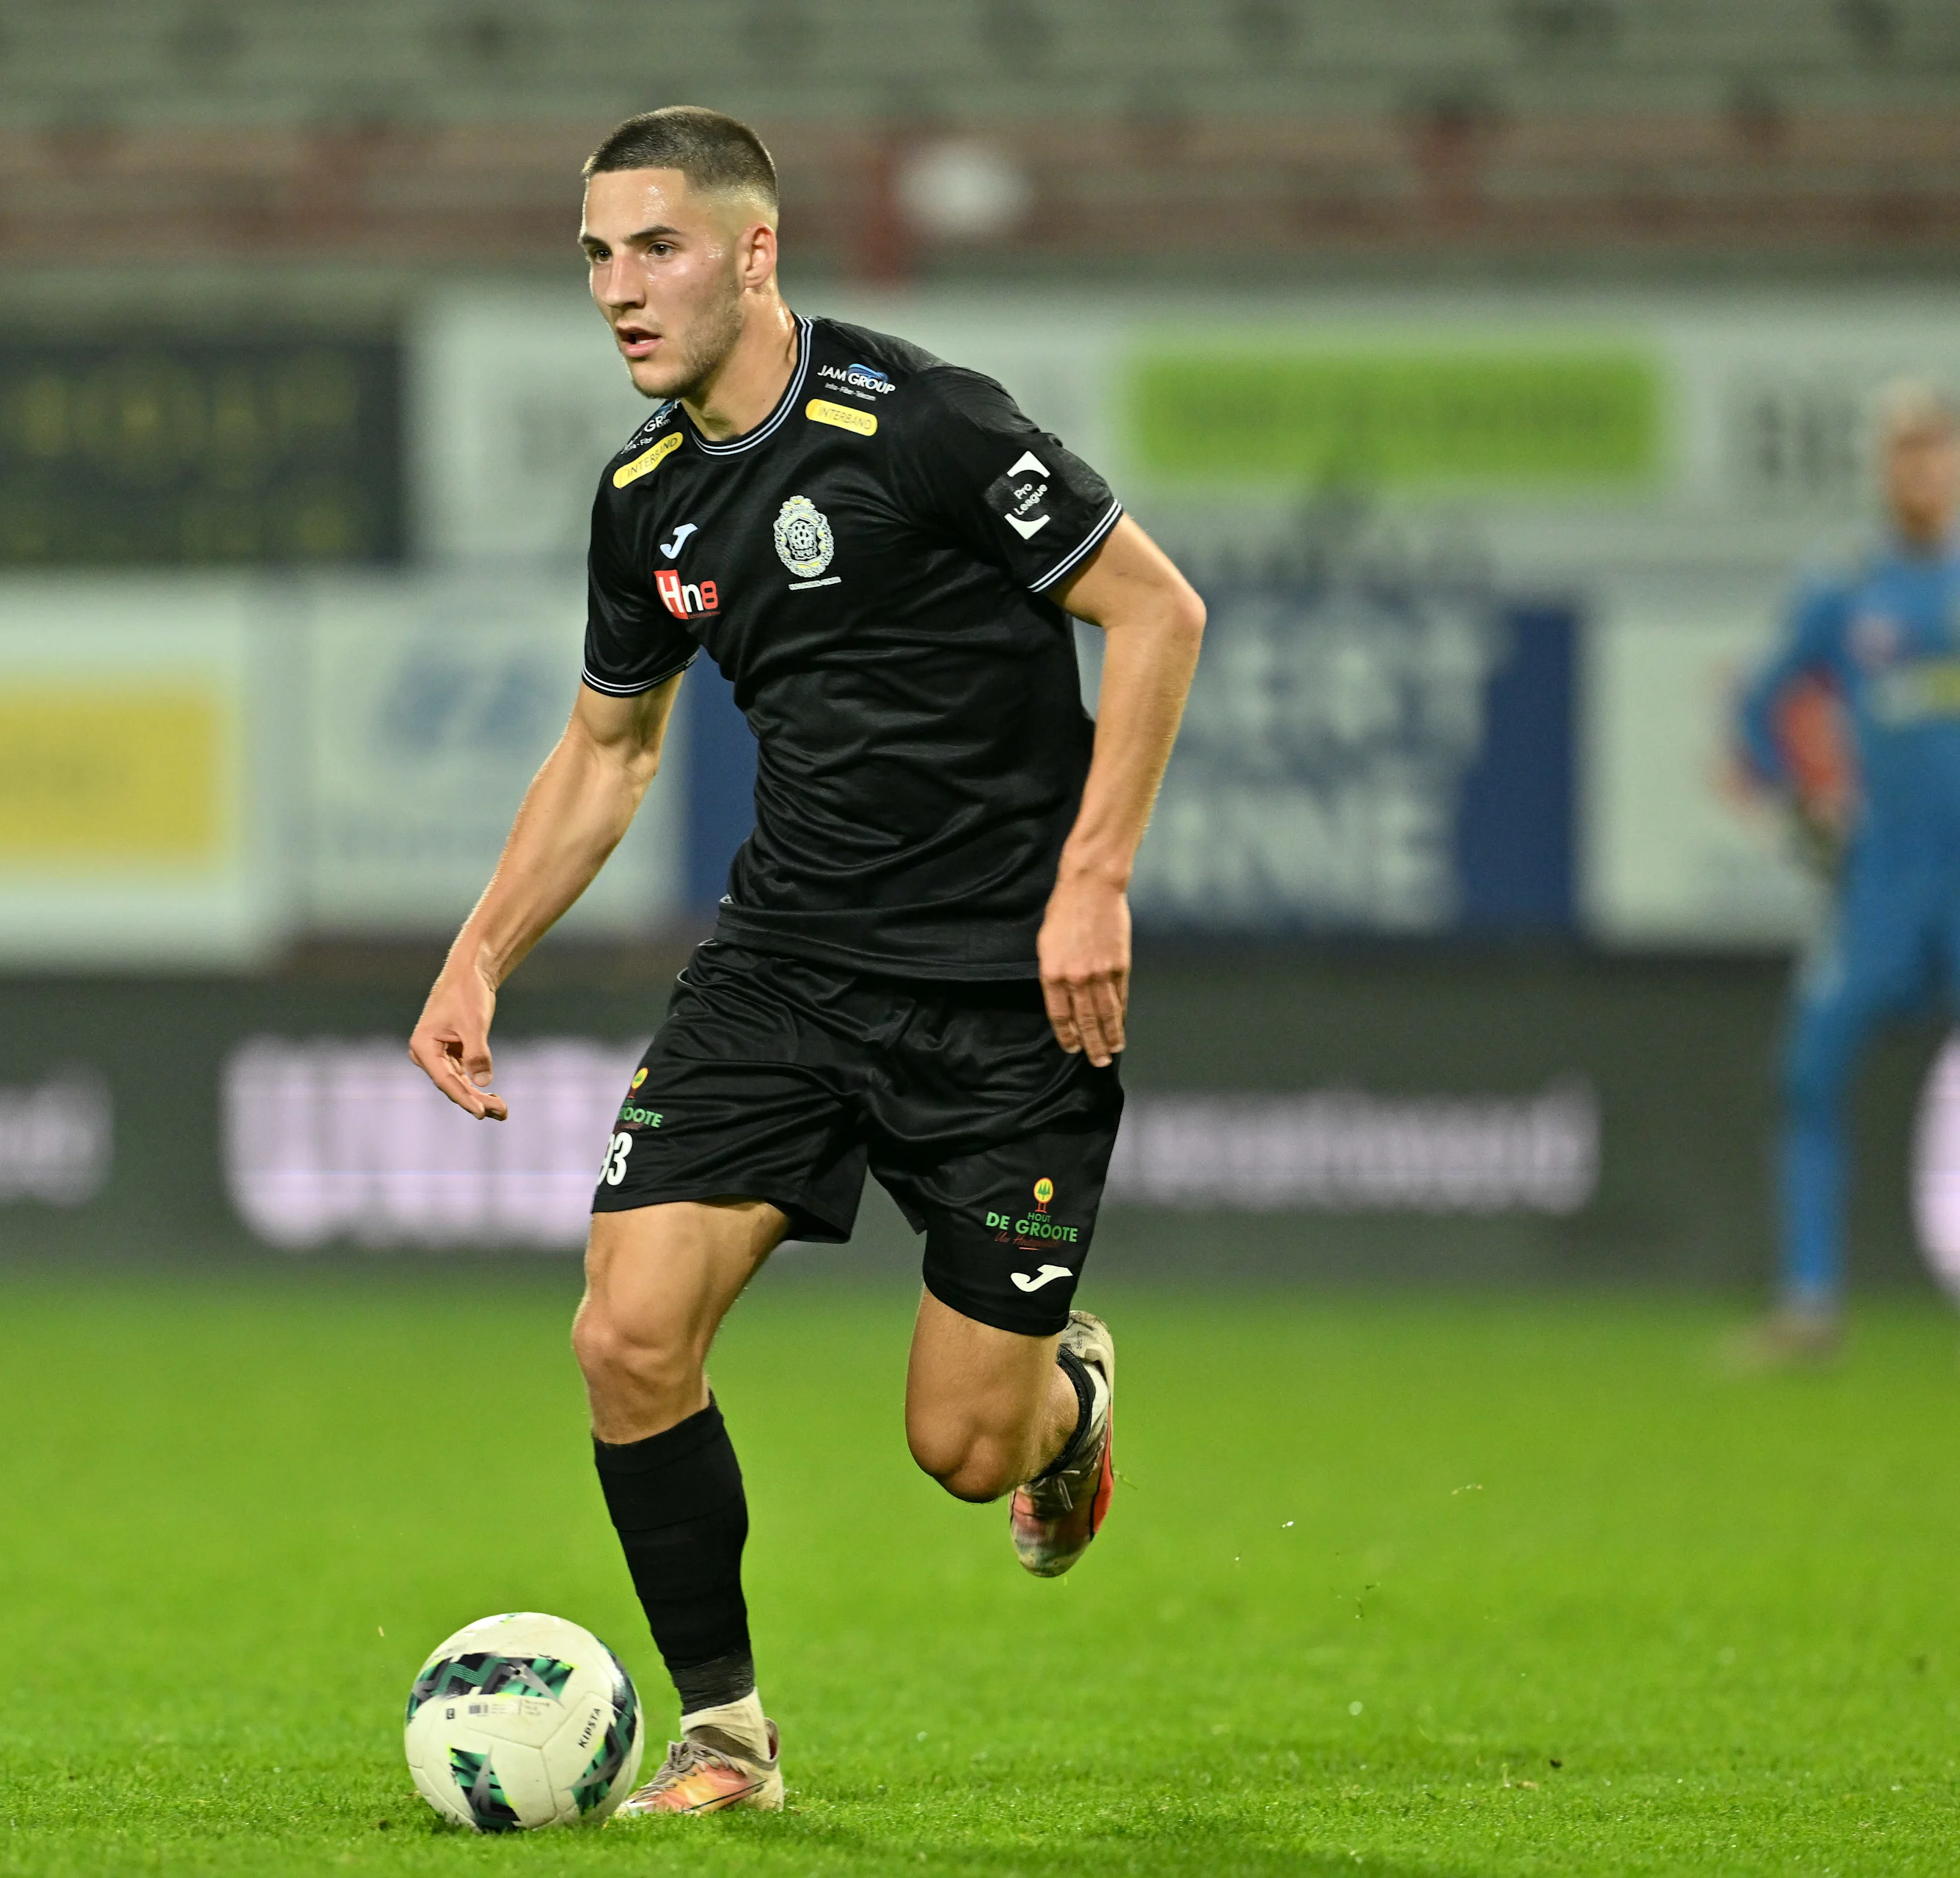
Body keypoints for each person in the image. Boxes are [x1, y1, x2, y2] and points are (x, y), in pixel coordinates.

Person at [406, 107, 1205, 1816]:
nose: (621, 291)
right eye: (598, 259)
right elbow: (609, 750)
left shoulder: (921, 422)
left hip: (1008, 1000)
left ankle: (1063, 1400)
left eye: (658, 249)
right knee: (624, 1334)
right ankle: (725, 1735)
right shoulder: (645, 501)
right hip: (786, 972)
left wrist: (1094, 881)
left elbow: (1158, 611)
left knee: (961, 1447)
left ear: (755, 252)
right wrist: (479, 952)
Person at [1736, 381, 1960, 1362]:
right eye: (1906, 453)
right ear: (1886, 468)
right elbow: (1760, 704)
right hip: (1883, 882)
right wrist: (1809, 798)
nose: (1922, 471)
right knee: (1812, 1072)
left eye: (1937, 452)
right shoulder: (1851, 586)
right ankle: (1812, 1304)